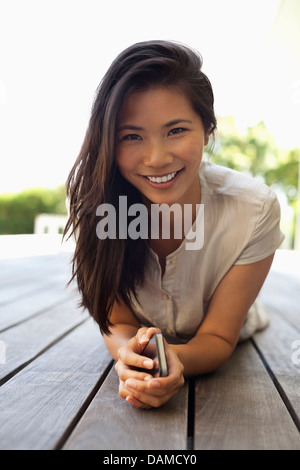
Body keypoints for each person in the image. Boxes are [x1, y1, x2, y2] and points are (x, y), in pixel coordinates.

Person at [64, 40, 284, 409]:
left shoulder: (254, 210)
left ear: (208, 129)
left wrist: (175, 361)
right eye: (132, 136)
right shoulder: (99, 207)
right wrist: (131, 360)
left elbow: (216, 337)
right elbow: (117, 322)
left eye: (176, 130)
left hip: (235, 329)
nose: (157, 158)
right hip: (147, 337)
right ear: (109, 143)